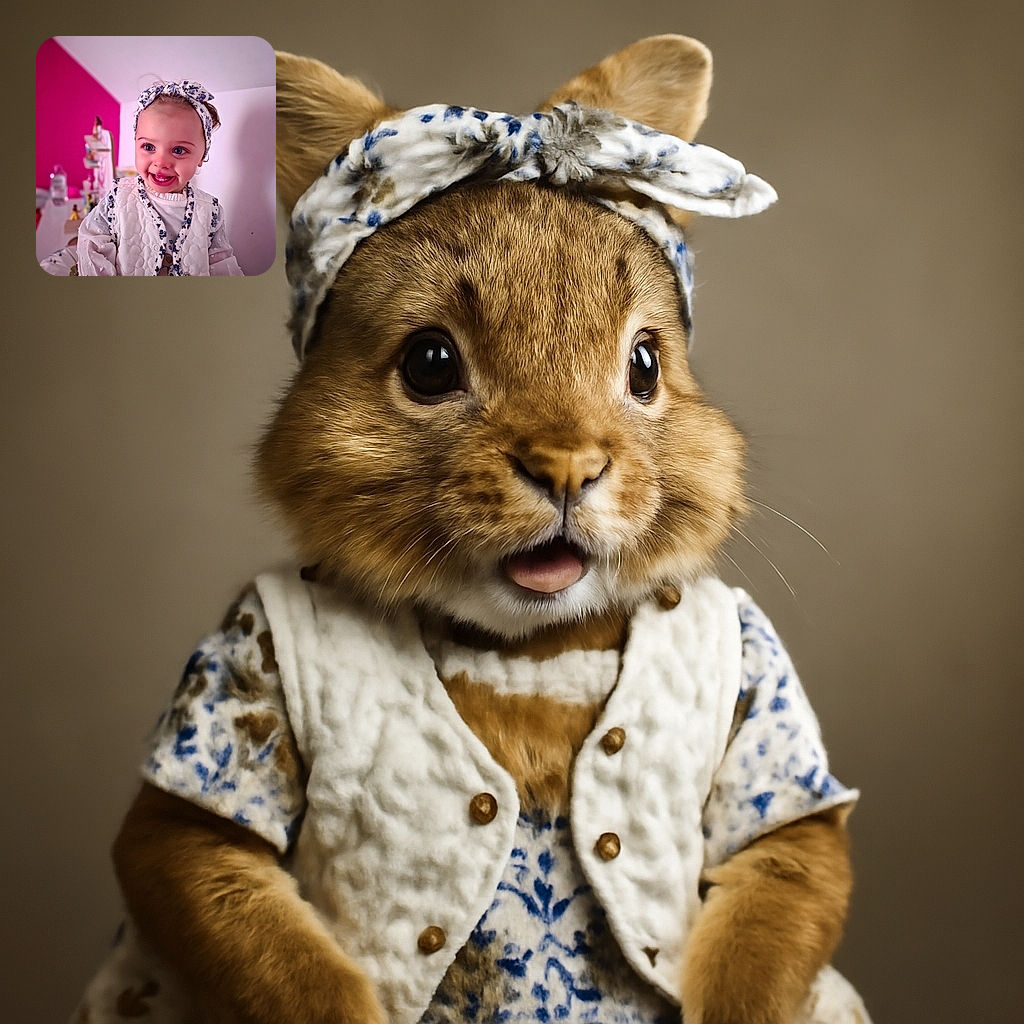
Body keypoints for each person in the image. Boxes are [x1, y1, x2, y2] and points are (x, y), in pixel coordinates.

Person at [41, 81, 243, 276]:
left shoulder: (210, 209)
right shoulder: (119, 197)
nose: (161, 162)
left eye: (179, 150)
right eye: (148, 147)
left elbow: (222, 262)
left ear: (201, 157)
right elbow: (92, 242)